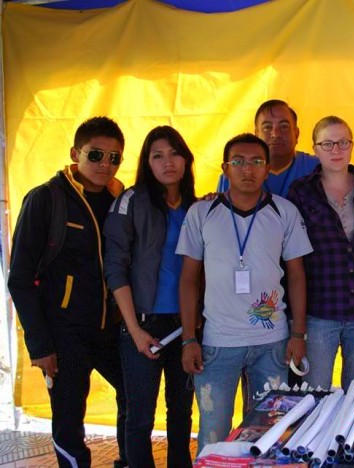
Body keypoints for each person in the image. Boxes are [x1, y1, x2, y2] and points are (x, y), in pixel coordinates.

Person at [177, 133, 313, 453]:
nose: (247, 169)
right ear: (225, 168)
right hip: (217, 345)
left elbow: (297, 275)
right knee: (213, 432)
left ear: (267, 170)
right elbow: (188, 280)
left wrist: (299, 334)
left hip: (273, 343)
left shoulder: (285, 212)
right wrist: (188, 338)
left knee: (268, 432)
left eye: (256, 162)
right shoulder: (202, 213)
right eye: (238, 161)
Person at [8, 116, 127, 468]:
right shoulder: (46, 199)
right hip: (64, 334)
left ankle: (128, 460)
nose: (105, 165)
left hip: (111, 329)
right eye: (96, 155)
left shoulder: (121, 199)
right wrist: (41, 345)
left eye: (114, 157)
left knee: (136, 394)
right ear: (76, 153)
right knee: (69, 419)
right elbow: (20, 279)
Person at [104, 126, 196, 467]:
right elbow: (115, 267)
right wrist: (135, 330)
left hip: (185, 325)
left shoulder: (196, 206)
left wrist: (193, 329)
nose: (167, 162)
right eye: (158, 155)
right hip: (142, 324)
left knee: (181, 413)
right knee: (140, 415)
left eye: (174, 153)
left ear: (186, 159)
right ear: (147, 162)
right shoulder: (131, 201)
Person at [287, 116, 354, 391]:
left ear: (352, 145)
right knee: (315, 394)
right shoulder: (301, 191)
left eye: (343, 142)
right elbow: (291, 251)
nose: (336, 150)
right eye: (328, 143)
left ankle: (349, 437)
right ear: (315, 149)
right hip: (320, 311)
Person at [216, 99, 319, 197]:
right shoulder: (232, 176)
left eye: (284, 126)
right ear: (257, 135)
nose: (275, 134)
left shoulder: (318, 168)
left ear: (296, 134)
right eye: (267, 127)